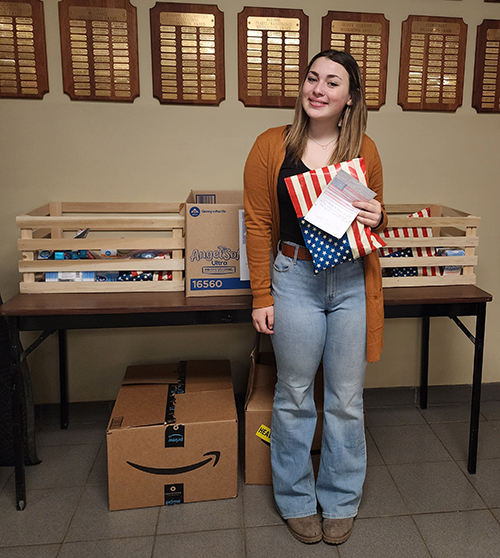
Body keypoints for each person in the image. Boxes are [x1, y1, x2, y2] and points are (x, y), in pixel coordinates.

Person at [243, 50, 387, 545]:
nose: (318, 89)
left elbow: (374, 213)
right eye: (312, 78)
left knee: (346, 399)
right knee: (295, 394)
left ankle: (341, 500)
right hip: (294, 279)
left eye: (332, 82)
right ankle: (296, 500)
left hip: (350, 282)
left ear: (350, 98)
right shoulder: (270, 146)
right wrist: (262, 293)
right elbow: (259, 222)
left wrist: (376, 216)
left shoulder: (363, 148)